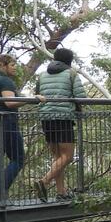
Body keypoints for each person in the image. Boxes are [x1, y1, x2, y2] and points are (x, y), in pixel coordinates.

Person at [34, 46, 88, 201]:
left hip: (46, 118)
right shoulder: (71, 74)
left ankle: (61, 192)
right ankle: (44, 181)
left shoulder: (42, 75)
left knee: (58, 157)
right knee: (68, 156)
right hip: (63, 117)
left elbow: (37, 94)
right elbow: (81, 97)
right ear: (69, 60)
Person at [0, 54, 33, 202]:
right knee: (18, 158)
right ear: (3, 65)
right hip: (6, 122)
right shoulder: (6, 81)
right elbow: (9, 102)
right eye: (12, 64)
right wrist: (32, 100)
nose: (15, 67)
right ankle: (0, 189)